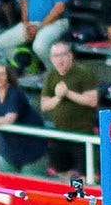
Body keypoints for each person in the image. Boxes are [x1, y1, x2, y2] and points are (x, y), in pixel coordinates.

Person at [38, 40, 100, 179]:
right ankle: (69, 198)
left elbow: (92, 100)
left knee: (83, 176)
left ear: (70, 56)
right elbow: (44, 105)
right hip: (60, 134)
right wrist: (58, 97)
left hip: (82, 134)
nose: (60, 59)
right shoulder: (51, 75)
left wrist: (68, 93)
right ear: (51, 59)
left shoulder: (83, 73)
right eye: (56, 56)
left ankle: (81, 198)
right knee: (62, 173)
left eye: (63, 55)